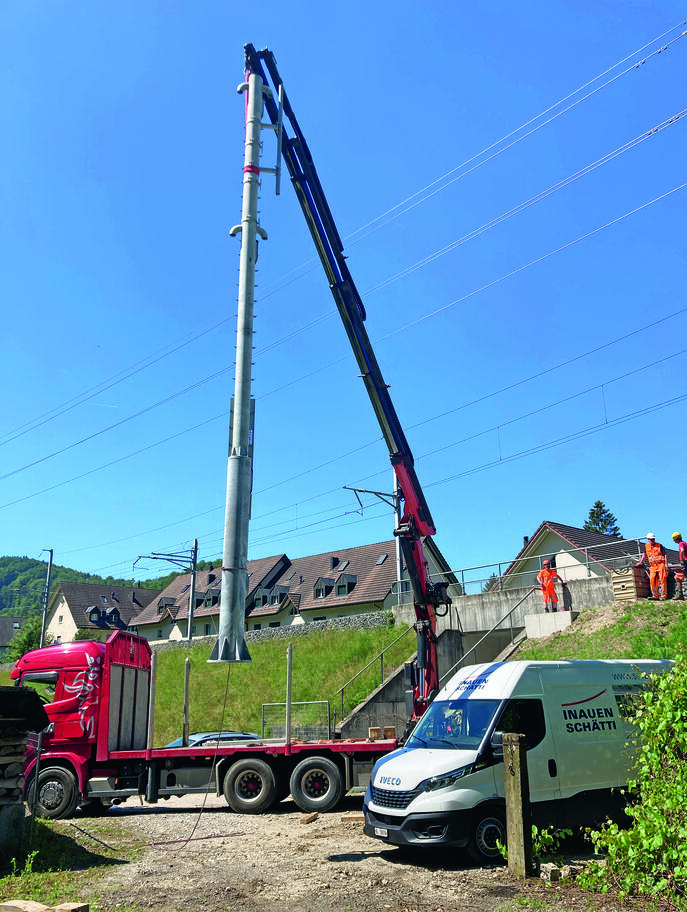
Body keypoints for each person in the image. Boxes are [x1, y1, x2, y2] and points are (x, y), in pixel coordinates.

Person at [636, 533, 669, 600]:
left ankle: (663, 596)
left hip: (661, 564)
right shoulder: (647, 546)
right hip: (653, 566)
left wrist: (666, 565)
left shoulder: (659, 545)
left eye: (653, 539)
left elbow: (665, 554)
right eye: (651, 539)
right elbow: (644, 555)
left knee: (662, 580)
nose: (652, 541)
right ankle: (655, 596)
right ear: (648, 540)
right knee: (652, 580)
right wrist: (640, 562)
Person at [672, 532, 686, 599]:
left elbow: (682, 550)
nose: (673, 540)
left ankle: (680, 594)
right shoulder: (684, 543)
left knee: (677, 577)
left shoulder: (681, 543)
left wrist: (682, 559)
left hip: (685, 563)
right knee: (678, 577)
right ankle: (680, 594)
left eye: (673, 539)